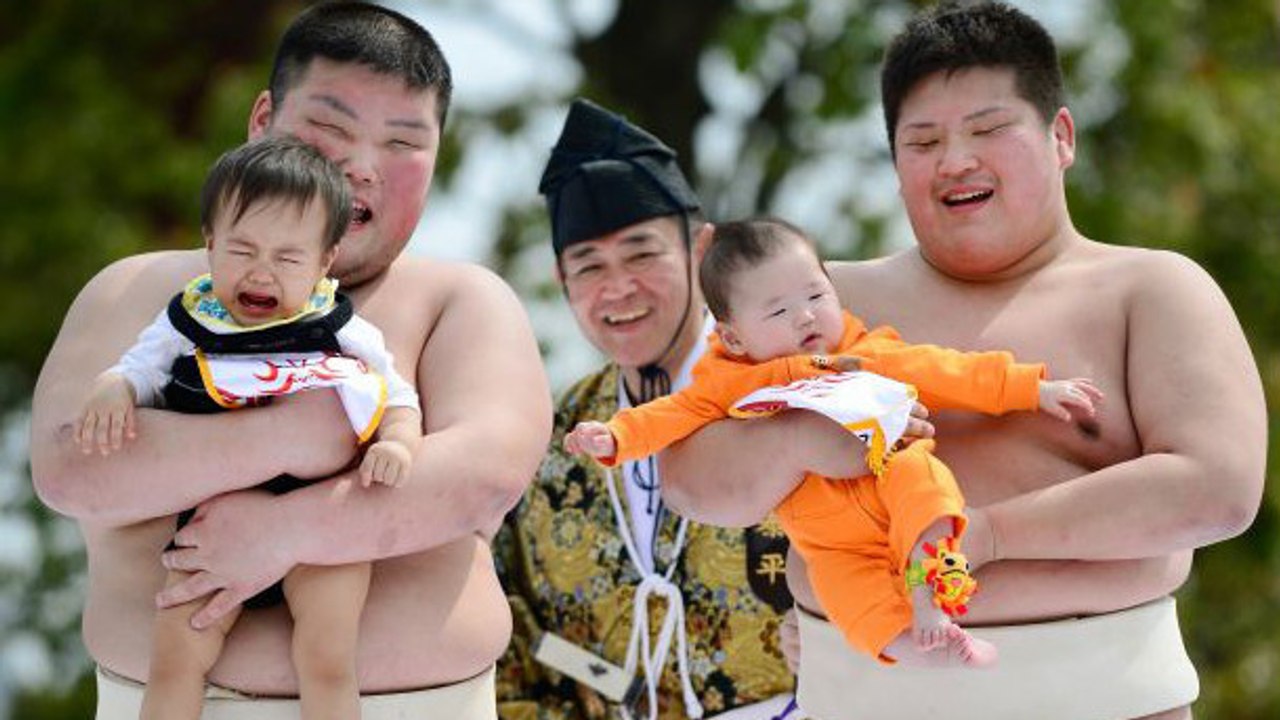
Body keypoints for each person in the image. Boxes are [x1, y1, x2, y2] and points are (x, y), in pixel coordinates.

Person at [657, 3, 1266, 720]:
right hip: (865, 691)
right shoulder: (819, 306)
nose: (955, 161)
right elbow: (690, 481)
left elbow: (1219, 489)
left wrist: (991, 535)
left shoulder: (1150, 290)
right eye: (923, 141)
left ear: (1060, 136)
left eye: (988, 129)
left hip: (1109, 696)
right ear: (894, 163)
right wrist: (795, 438)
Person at [30, 3, 551, 718]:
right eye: (333, 129)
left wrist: (288, 531)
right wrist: (296, 436)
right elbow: (73, 471)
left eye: (402, 141)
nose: (361, 167)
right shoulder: (142, 289)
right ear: (263, 120)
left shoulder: (462, 301)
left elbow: (484, 478)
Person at [567, 216, 1103, 669]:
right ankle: (922, 649)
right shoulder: (727, 383)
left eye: (816, 295)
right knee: (851, 600)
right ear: (733, 336)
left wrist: (1034, 388)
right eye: (777, 311)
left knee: (929, 492)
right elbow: (668, 415)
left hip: (892, 477)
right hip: (826, 535)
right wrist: (614, 435)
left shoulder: (866, 352)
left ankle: (930, 596)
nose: (804, 316)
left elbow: (948, 371)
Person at [75, 136, 422, 720]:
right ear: (210, 244)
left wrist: (398, 441)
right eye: (242, 250)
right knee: (177, 657)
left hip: (318, 527)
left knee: (328, 656)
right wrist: (114, 387)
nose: (261, 272)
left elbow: (397, 395)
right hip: (212, 529)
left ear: (324, 262)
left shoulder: (343, 328)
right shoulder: (189, 318)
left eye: (288, 259)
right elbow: (139, 368)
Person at [493, 99, 801, 720]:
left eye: (642, 254)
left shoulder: (794, 392)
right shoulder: (545, 441)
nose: (618, 288)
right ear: (562, 280)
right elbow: (517, 641)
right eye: (589, 266)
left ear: (701, 249)